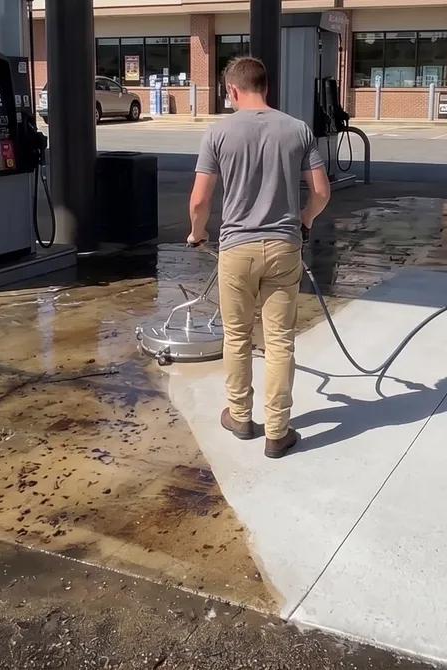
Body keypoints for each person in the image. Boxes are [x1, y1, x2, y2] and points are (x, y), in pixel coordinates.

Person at [187, 56, 331, 459]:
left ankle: (240, 416)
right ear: (265, 87)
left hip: (236, 249)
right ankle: (278, 431)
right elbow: (321, 192)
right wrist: (304, 221)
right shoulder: (297, 130)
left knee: (237, 336)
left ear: (232, 90)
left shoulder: (217, 133)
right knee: (280, 342)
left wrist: (197, 235)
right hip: (284, 247)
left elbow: (200, 201)